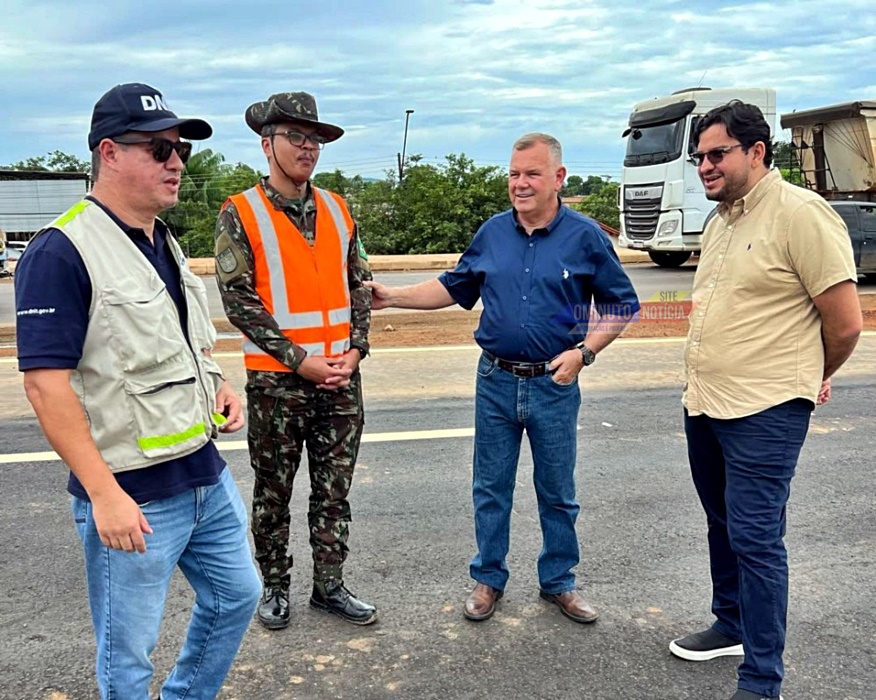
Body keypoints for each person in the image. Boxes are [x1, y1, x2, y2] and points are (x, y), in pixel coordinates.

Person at [14, 83, 261, 700]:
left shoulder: (161, 240)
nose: (176, 162)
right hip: (135, 496)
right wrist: (104, 495)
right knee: (127, 656)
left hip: (203, 474)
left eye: (178, 149)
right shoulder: (62, 250)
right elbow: (45, 386)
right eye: (158, 148)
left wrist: (219, 385)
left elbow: (181, 342)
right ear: (109, 153)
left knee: (238, 597)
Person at [367, 133, 639, 624]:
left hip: (554, 384)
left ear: (559, 177)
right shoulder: (492, 233)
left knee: (557, 490)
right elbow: (454, 287)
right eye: (514, 174)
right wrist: (393, 297)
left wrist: (584, 353)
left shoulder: (586, 237)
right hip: (495, 380)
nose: (520, 183)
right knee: (490, 487)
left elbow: (621, 305)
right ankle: (488, 578)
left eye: (532, 173)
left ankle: (559, 582)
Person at [669, 101, 862, 700]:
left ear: (756, 151)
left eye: (716, 153)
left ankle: (761, 681)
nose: (704, 165)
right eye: (700, 156)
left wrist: (808, 375)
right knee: (722, 525)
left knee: (755, 539)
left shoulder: (801, 215)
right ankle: (730, 624)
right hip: (705, 403)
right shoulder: (721, 220)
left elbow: (846, 323)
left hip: (766, 409)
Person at [215, 91, 376, 629]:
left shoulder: (337, 208)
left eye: (315, 140)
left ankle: (329, 586)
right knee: (274, 492)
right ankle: (275, 587)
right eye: (296, 138)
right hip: (276, 382)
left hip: (340, 381)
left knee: (334, 492)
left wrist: (355, 350)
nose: (308, 148)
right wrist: (299, 359)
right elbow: (239, 300)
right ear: (268, 144)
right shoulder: (240, 212)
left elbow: (359, 286)